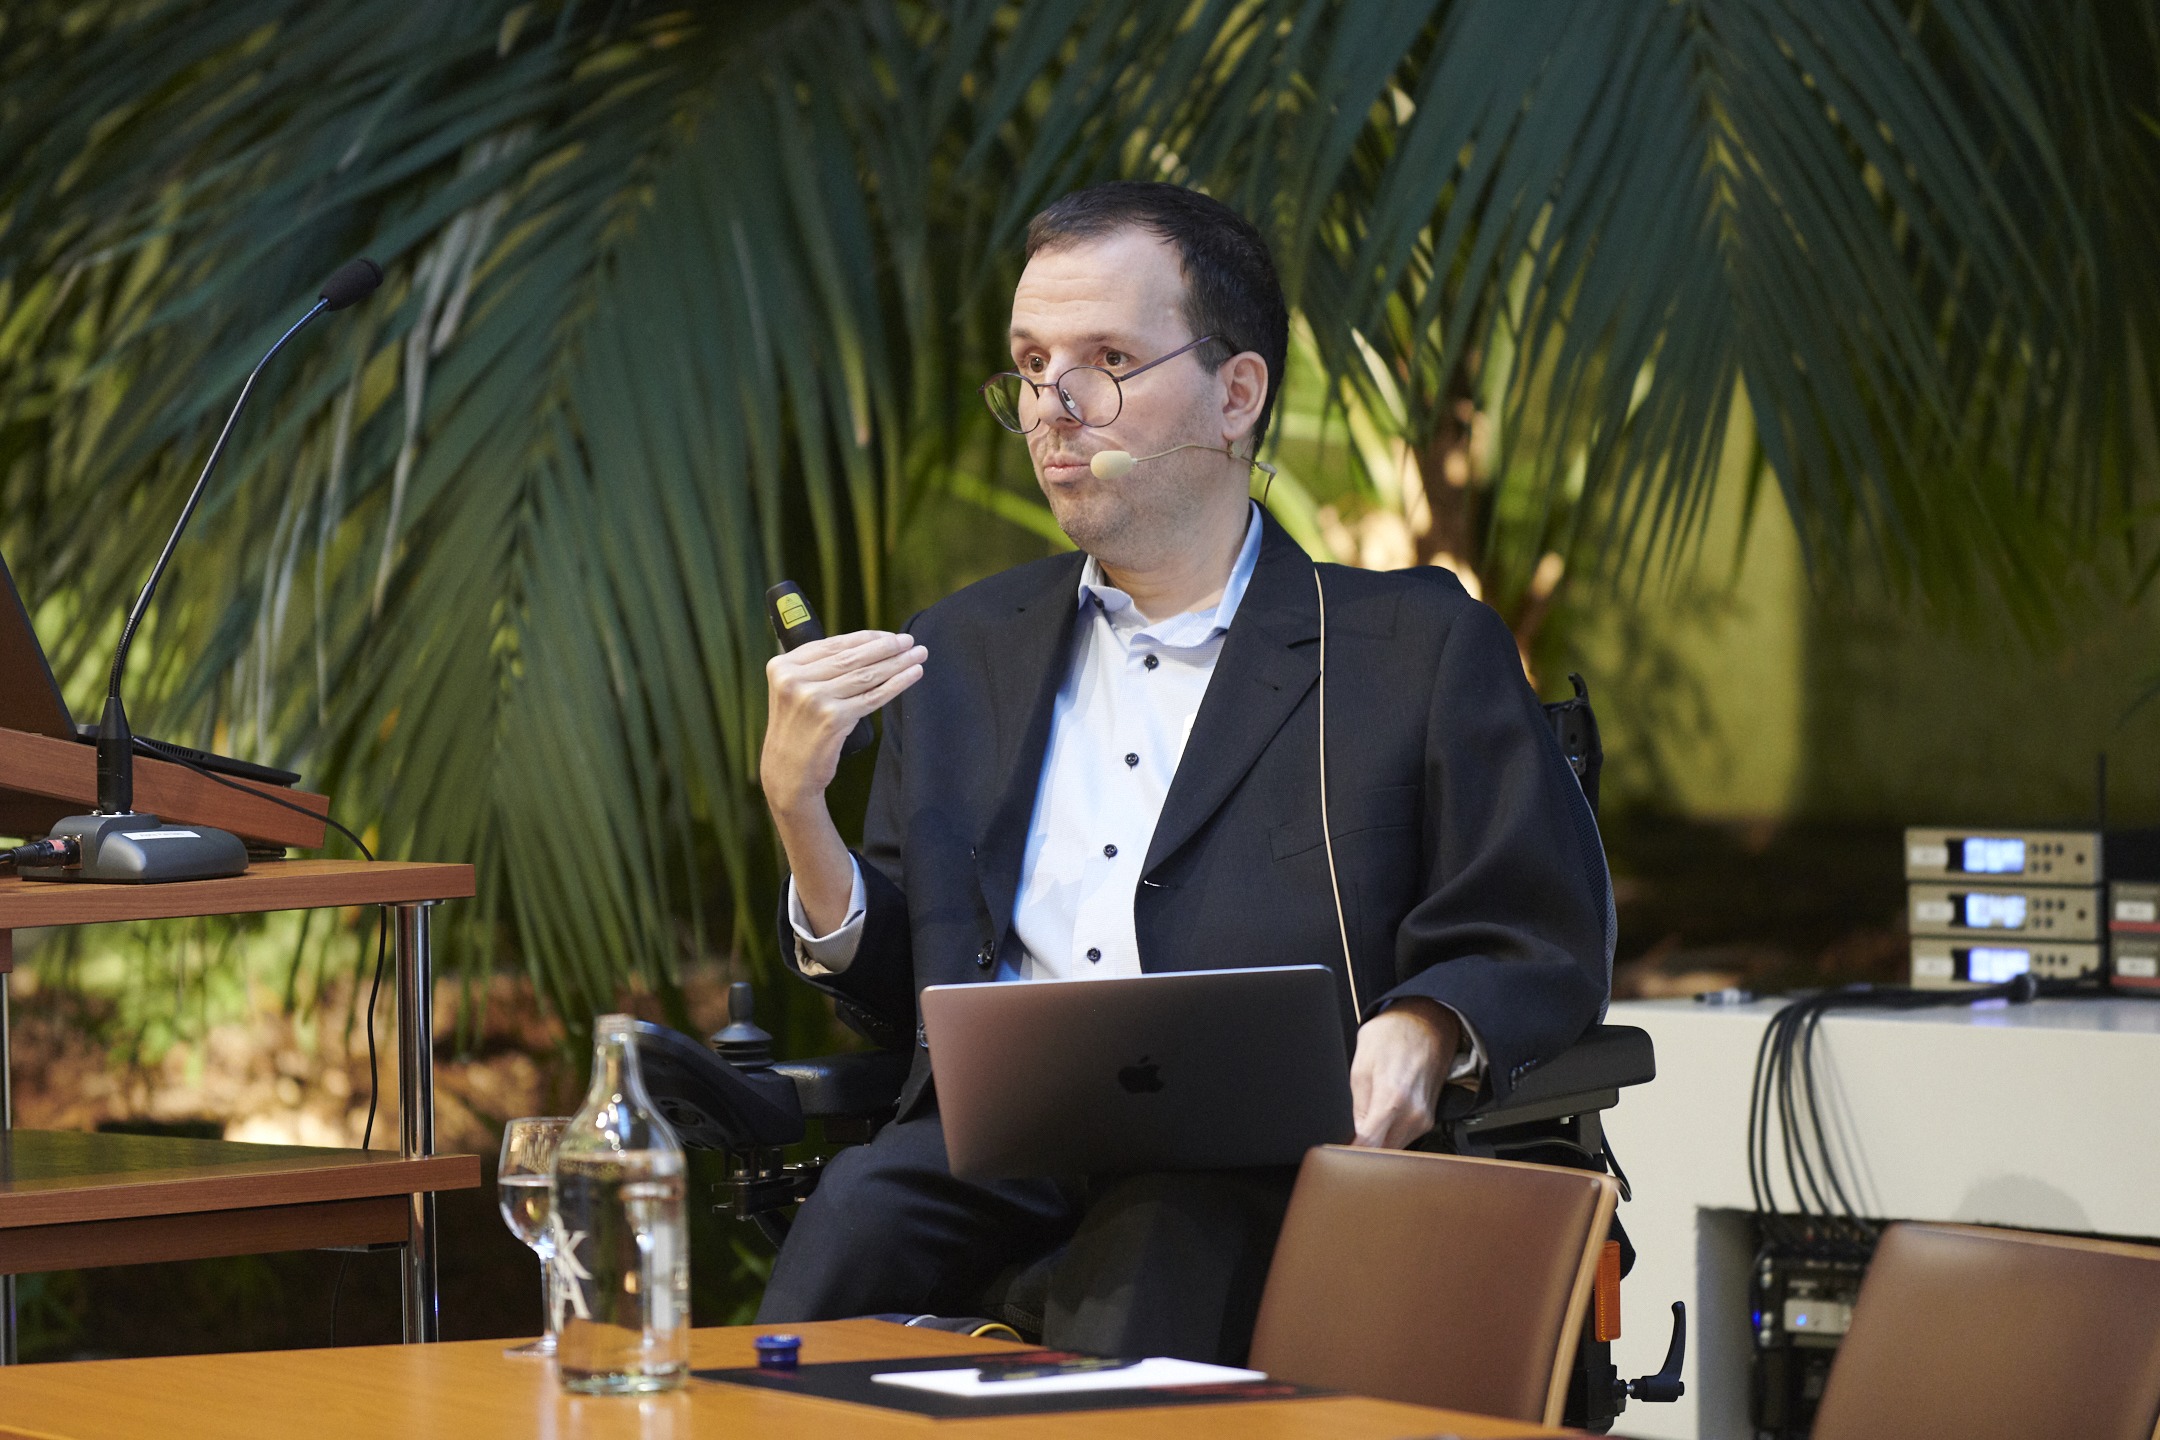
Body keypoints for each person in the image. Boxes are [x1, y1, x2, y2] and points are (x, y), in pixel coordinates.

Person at [753, 180, 1612, 1361]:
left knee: (1156, 1241)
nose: (1054, 408)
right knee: (852, 1217)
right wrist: (801, 810)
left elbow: (1538, 931)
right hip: (997, 1151)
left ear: (1236, 395)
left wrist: (1425, 1026)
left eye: (1105, 361)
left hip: (1260, 1159)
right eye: (1031, 365)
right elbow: (911, 990)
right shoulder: (959, 652)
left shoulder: (1409, 646)